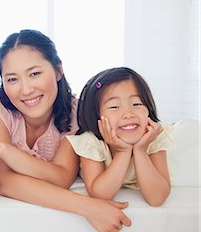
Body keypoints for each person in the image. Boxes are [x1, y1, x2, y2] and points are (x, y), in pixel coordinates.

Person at [0, 30, 132, 232]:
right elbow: (5, 182)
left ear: (58, 71)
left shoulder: (76, 113)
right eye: (12, 79)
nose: (26, 90)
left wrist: (2, 148)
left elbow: (62, 177)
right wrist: (88, 207)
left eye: (35, 74)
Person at [67, 67, 172, 206]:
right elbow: (100, 194)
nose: (128, 114)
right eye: (114, 107)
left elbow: (157, 198)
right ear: (97, 116)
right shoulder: (91, 142)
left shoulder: (154, 136)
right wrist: (123, 151)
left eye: (137, 104)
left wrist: (140, 150)